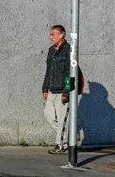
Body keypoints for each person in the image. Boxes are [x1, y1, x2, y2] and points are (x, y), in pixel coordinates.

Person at [42, 25, 70, 155]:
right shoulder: (51, 50)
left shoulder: (68, 50)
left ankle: (61, 145)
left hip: (62, 91)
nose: (51, 37)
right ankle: (68, 135)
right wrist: (45, 88)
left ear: (62, 35)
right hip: (52, 89)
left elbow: (70, 73)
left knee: (62, 117)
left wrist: (67, 92)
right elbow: (48, 71)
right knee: (48, 115)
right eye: (50, 34)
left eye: (53, 34)